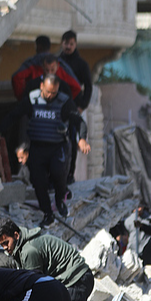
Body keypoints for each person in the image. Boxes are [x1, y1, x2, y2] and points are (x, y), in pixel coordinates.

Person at [0, 74, 85, 227]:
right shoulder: (32, 99)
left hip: (57, 147)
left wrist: (81, 138)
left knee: (58, 173)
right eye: (48, 91)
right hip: (37, 147)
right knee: (38, 181)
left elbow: (79, 122)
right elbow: (14, 115)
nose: (50, 96)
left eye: (54, 93)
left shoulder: (64, 102)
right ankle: (47, 214)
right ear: (42, 86)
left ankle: (59, 201)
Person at [59, 31, 92, 185]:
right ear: (62, 43)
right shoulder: (57, 62)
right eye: (66, 43)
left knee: (73, 140)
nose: (68, 46)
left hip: (74, 108)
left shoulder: (81, 64)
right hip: (59, 107)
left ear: (75, 44)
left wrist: (82, 106)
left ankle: (70, 174)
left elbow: (89, 87)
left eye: (71, 44)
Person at [11, 47, 81, 102]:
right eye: (47, 70)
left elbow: (76, 88)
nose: (50, 73)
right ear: (43, 68)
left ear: (57, 67)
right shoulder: (33, 85)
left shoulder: (64, 86)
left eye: (52, 70)